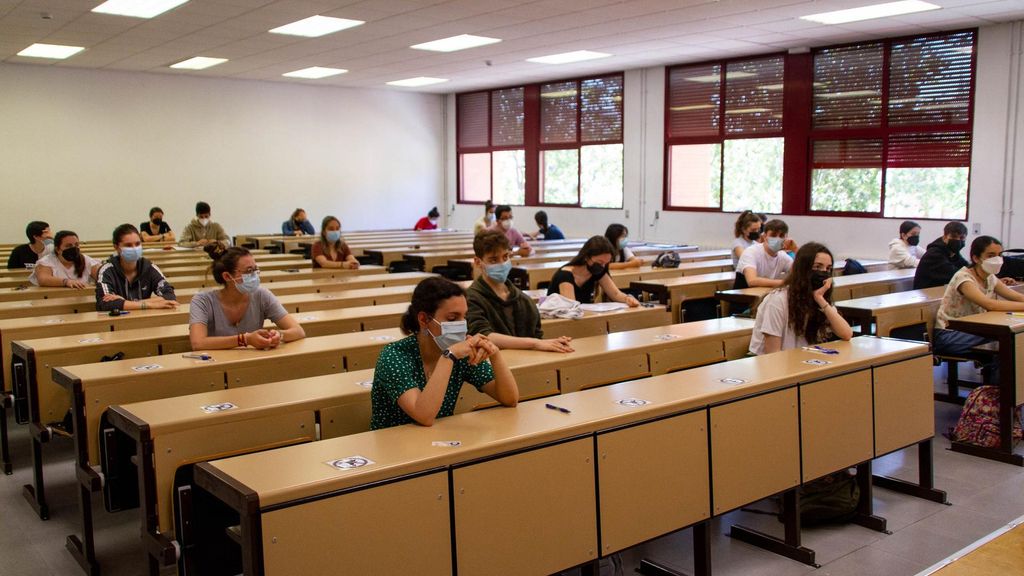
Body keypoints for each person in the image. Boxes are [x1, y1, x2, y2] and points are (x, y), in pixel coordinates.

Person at [370, 277, 519, 429]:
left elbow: (510, 399)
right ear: (424, 319)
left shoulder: (460, 354)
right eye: (452, 318)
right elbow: (424, 416)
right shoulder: (393, 356)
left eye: (464, 317)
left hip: (437, 440)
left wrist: (494, 353)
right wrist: (449, 356)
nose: (462, 325)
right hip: (392, 444)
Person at [466, 231, 574, 352]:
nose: (501, 264)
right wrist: (535, 343)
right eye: (493, 260)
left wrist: (550, 342)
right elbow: (483, 336)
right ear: (478, 262)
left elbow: (536, 335)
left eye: (505, 257)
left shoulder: (523, 299)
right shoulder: (472, 297)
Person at [188, 247, 305, 351]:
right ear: (227, 276)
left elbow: (298, 331)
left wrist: (279, 335)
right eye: (249, 271)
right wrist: (245, 339)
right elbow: (198, 343)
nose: (254, 276)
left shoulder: (261, 295)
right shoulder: (202, 301)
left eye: (255, 270)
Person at [749, 242, 853, 355]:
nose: (823, 272)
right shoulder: (777, 300)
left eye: (828, 268)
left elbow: (846, 334)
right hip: (770, 364)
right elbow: (772, 353)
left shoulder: (818, 296)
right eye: (817, 267)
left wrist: (820, 299)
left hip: (799, 359)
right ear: (803, 269)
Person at [933, 236, 1024, 359]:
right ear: (976, 258)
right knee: (1005, 344)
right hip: (950, 334)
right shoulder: (964, 278)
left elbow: (1016, 296)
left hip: (975, 330)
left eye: (999, 255)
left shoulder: (990, 277)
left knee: (1012, 340)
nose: (997, 259)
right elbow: (989, 304)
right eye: (991, 255)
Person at [96, 224, 178, 311]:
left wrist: (127, 302)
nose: (134, 248)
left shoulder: (149, 267)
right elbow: (106, 303)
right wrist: (149, 305)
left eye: (137, 244)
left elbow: (169, 295)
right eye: (128, 245)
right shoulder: (106, 270)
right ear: (116, 247)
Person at [547, 236, 641, 306]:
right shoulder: (565, 275)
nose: (602, 266)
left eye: (606, 263)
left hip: (582, 316)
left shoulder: (597, 270)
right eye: (599, 262)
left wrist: (627, 299)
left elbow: (615, 294)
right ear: (587, 257)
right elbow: (571, 308)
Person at [29, 230, 102, 288]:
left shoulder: (86, 260)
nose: (74, 248)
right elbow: (43, 279)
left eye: (76, 245)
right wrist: (66, 282)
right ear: (57, 249)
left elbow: (102, 276)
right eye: (68, 246)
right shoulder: (46, 262)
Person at [735, 219, 793, 288]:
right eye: (773, 235)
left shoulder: (782, 256)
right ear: (765, 236)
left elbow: (801, 273)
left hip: (765, 295)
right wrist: (785, 282)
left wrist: (795, 249)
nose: (777, 238)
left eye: (781, 236)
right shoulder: (751, 252)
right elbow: (752, 281)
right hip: (745, 296)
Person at [913, 221, 969, 289]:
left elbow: (966, 267)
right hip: (925, 294)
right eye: (954, 236)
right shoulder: (934, 254)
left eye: (962, 238)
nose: (957, 240)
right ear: (945, 237)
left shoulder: (953, 252)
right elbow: (956, 274)